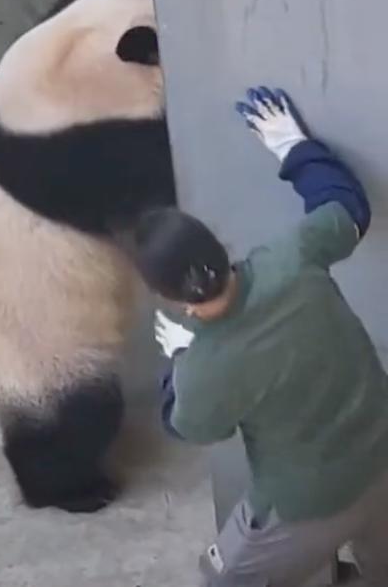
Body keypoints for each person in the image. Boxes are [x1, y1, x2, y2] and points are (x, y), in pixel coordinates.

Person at [126, 86, 388, 587]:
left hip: (308, 505)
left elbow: (190, 427)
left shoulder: (204, 369)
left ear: (169, 297)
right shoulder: (293, 259)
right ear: (219, 246)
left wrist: (182, 362)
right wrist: (294, 146)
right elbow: (347, 207)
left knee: (223, 579)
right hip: (382, 453)